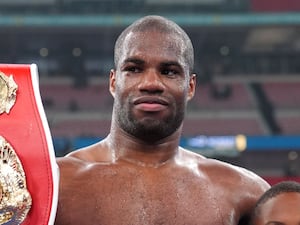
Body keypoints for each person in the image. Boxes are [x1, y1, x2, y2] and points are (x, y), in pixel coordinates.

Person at [54, 15, 270, 225]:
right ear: (113, 82)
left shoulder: (245, 193)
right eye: (134, 69)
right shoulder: (56, 184)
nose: (150, 83)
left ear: (191, 87)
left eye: (169, 71)